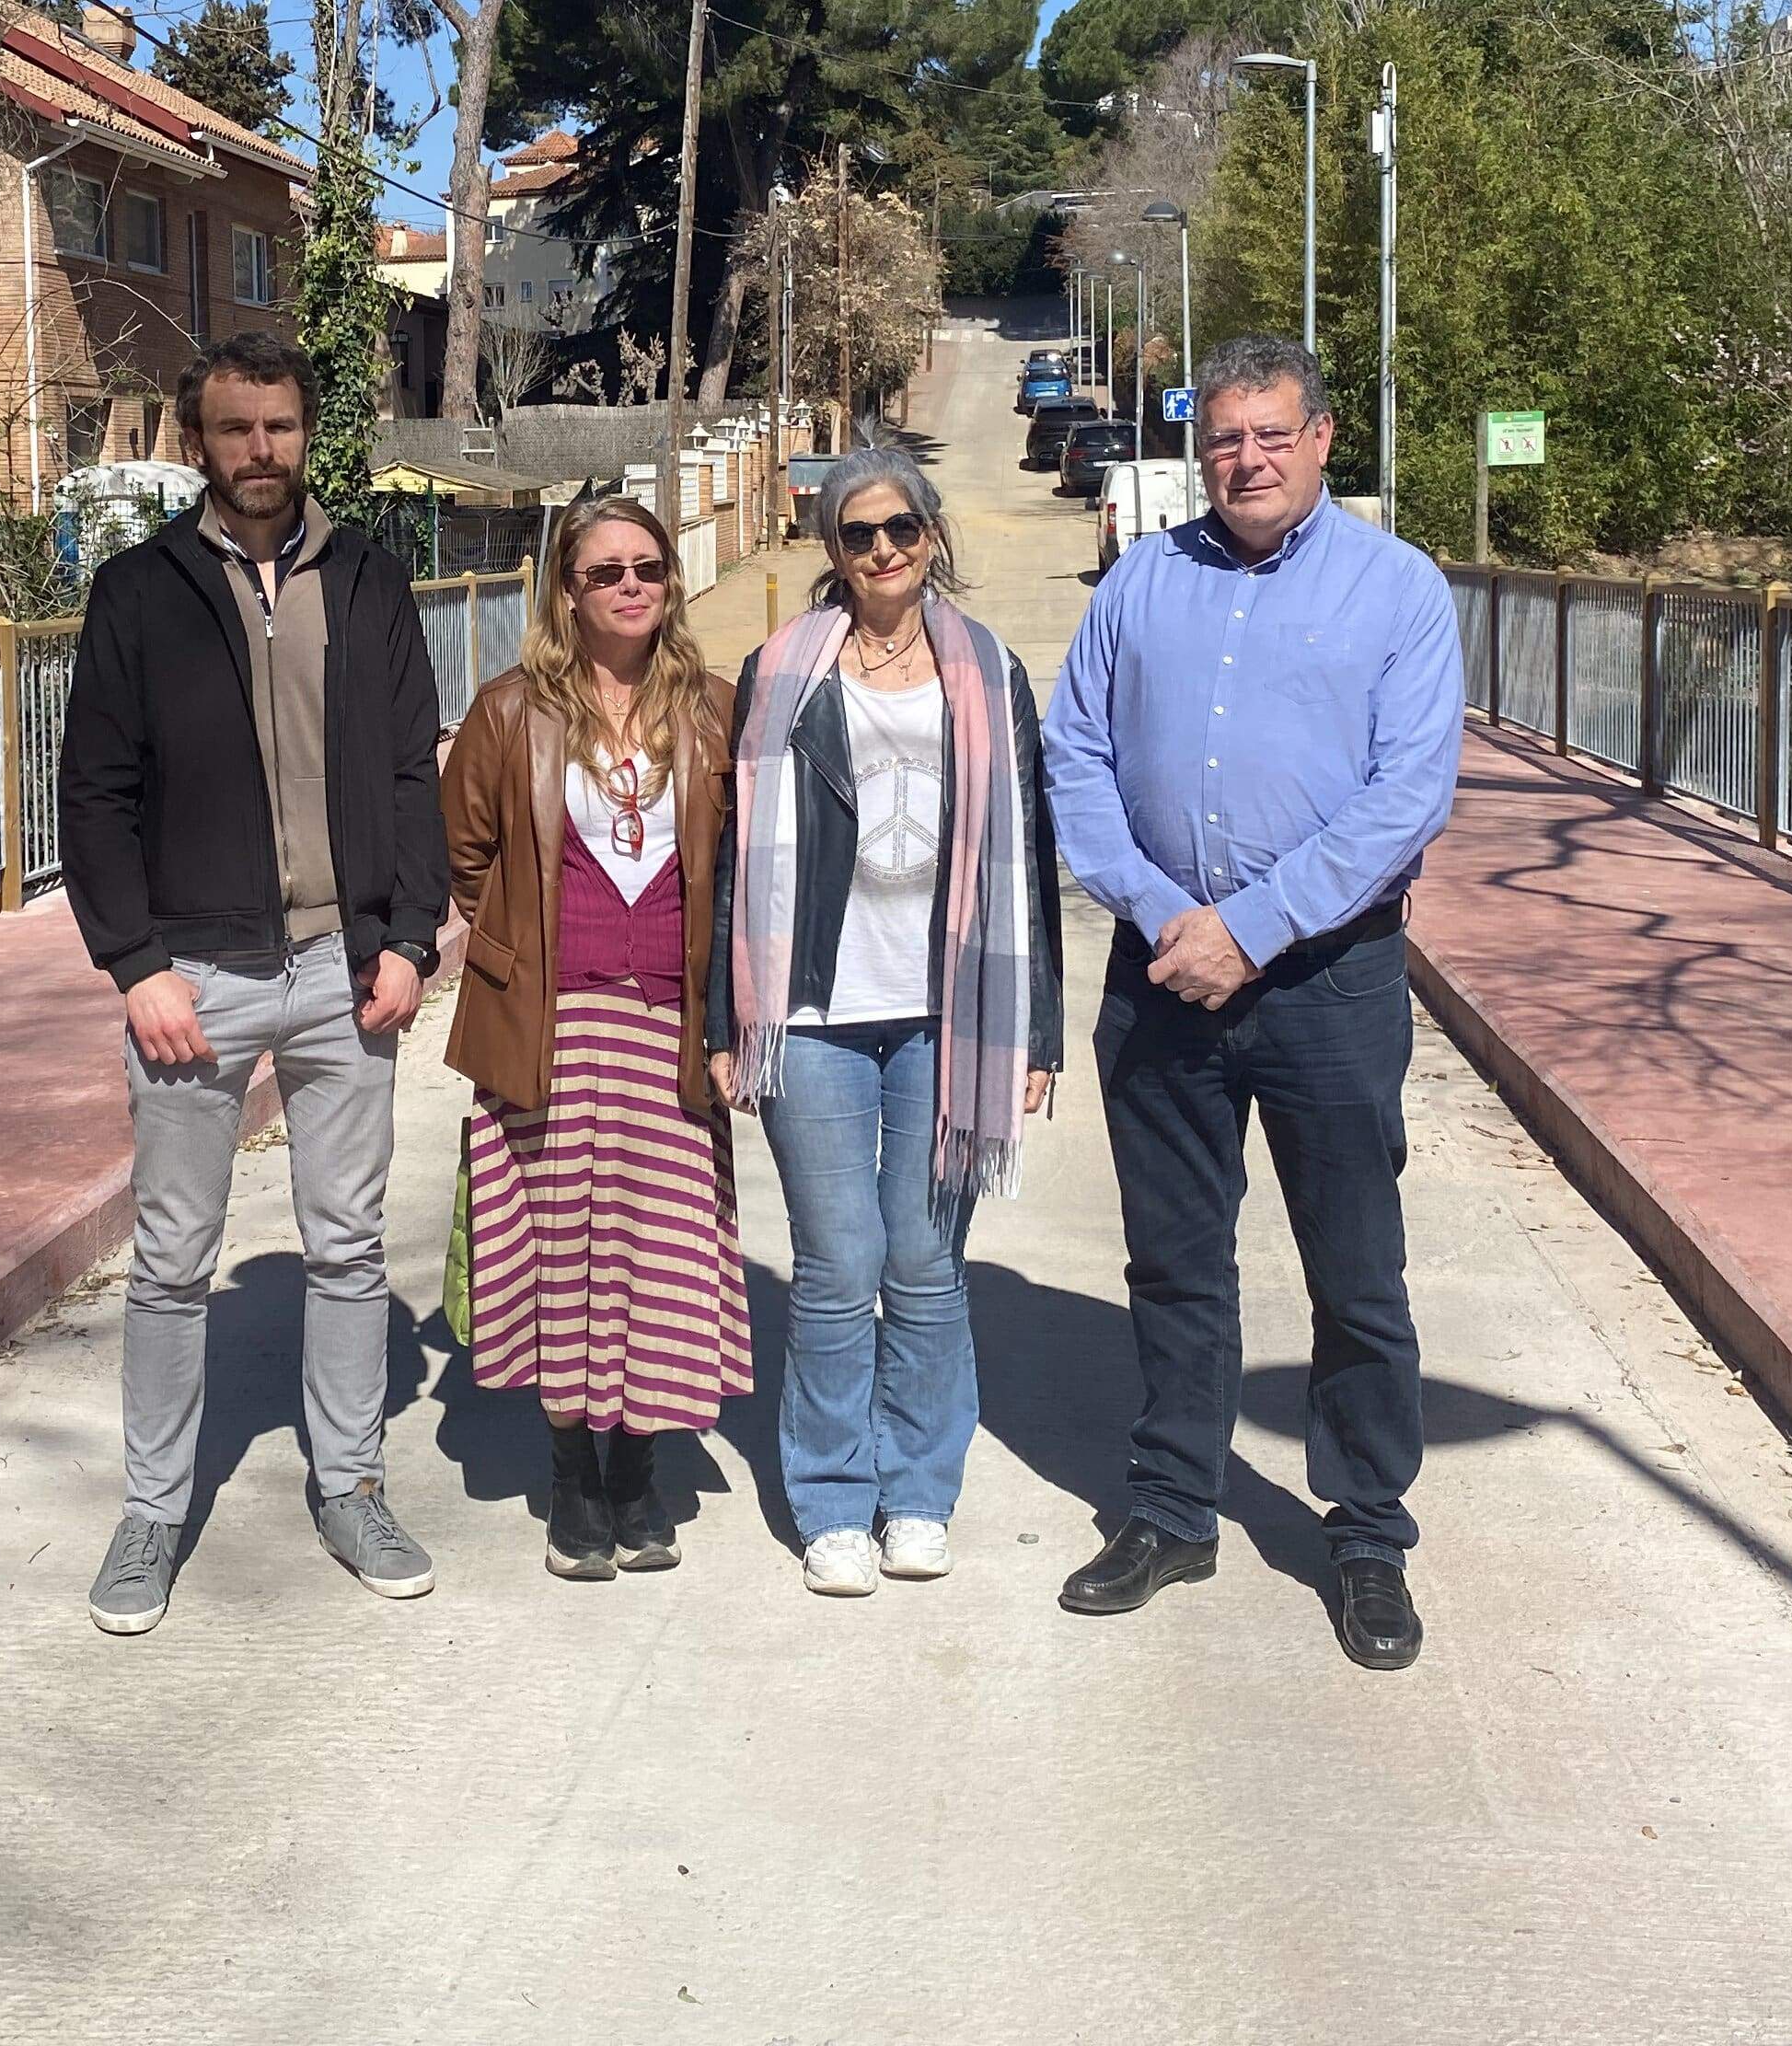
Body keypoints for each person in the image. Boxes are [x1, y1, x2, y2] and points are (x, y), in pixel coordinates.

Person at [1042, 335, 1463, 1664]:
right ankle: (1173, 1509)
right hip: (1164, 975)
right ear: (1199, 448)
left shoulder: (1399, 591)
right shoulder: (1140, 585)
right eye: (1226, 437)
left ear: (1325, 438)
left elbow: (1408, 798)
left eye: (1272, 434)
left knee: (1355, 1272)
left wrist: (1257, 927)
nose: (1248, 459)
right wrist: (1175, 920)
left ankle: (1366, 1537)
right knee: (1174, 1261)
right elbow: (1076, 760)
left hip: (1330, 982)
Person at [56, 334, 451, 1636]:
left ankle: (348, 1483)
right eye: (236, 430)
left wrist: (407, 939)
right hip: (196, 980)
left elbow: (410, 774)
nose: (261, 452)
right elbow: (97, 798)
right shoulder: (139, 593)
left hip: (348, 972)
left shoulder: (371, 582)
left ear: (305, 431)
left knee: (347, 1248)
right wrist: (136, 967)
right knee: (173, 1260)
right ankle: (154, 1509)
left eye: (280, 427)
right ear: (198, 439)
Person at [709, 449, 1061, 1597]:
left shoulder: (990, 672)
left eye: (900, 529)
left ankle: (917, 1494)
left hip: (945, 1014)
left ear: (930, 532)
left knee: (922, 1262)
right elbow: (732, 862)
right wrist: (727, 1015)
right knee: (835, 1263)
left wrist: (1038, 1034)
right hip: (811, 1008)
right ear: (830, 548)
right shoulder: (784, 671)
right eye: (857, 535)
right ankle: (831, 1503)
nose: (882, 553)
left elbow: (1030, 858)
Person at [439, 498, 745, 1580]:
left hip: (671, 1024)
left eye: (647, 568)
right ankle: (572, 1473)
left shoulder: (715, 711)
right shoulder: (511, 711)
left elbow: (742, 866)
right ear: (566, 589)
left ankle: (638, 1472)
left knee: (658, 1258)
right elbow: (467, 857)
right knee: (565, 1257)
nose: (629, 585)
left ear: (669, 582)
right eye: (605, 569)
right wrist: (529, 951)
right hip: (554, 1029)